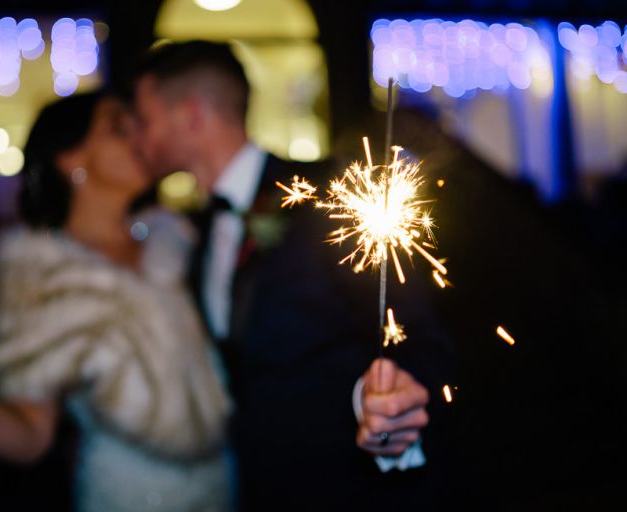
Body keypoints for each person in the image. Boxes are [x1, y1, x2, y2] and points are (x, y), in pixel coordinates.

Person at [0, 90, 232, 512]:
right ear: (70, 158)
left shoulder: (174, 240)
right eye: (118, 127)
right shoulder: (39, 274)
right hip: (131, 494)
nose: (139, 138)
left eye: (138, 125)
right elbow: (30, 436)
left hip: (226, 481)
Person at [130, 40, 455, 510]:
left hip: (349, 487)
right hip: (254, 484)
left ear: (191, 115)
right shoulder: (198, 231)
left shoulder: (328, 198)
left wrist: (389, 404)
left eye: (145, 119)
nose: (138, 137)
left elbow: (421, 334)